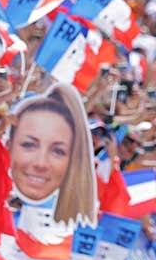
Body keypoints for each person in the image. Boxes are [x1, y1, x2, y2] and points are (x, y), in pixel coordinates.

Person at [7, 82, 98, 225]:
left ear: (73, 159)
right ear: (8, 145)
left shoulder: (77, 227)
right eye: (29, 145)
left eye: (58, 151)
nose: (40, 163)